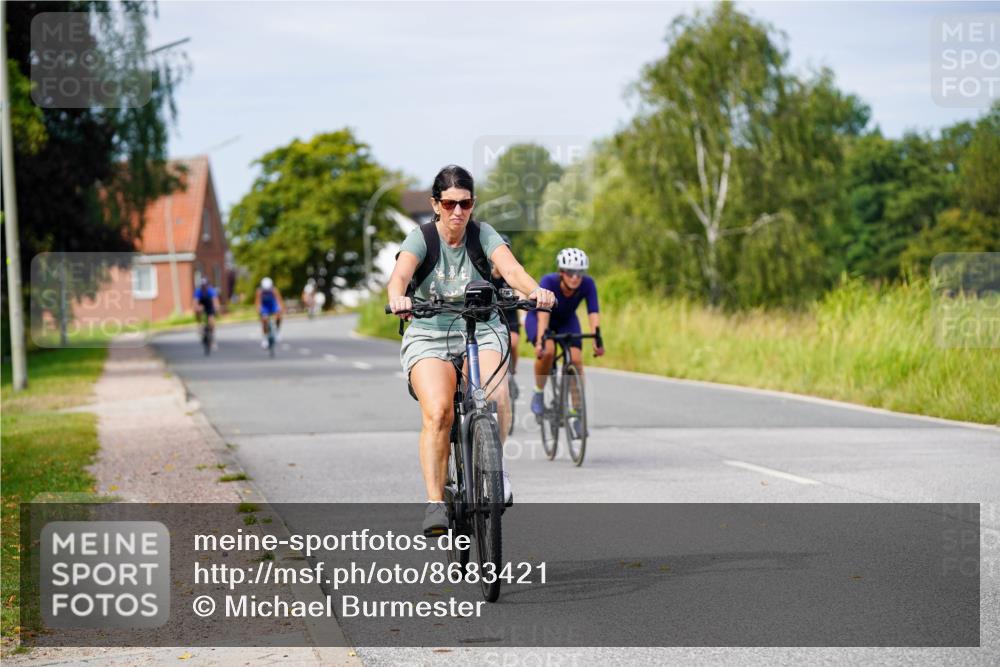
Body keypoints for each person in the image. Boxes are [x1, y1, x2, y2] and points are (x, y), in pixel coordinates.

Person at [386, 165, 556, 536]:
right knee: (439, 412)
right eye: (449, 204)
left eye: (465, 203)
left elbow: (512, 271)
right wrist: (398, 297)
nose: (458, 211)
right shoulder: (422, 238)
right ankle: (435, 502)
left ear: (473, 204)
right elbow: (399, 276)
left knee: (497, 396)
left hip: (482, 327)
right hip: (430, 332)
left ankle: (496, 471)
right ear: (436, 204)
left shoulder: (483, 234)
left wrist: (535, 291)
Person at [525, 248, 604, 438]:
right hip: (541, 318)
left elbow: (593, 311)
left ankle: (577, 414)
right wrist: (540, 341)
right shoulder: (549, 281)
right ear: (561, 272)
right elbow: (543, 314)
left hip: (567, 320)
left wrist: (597, 337)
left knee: (576, 360)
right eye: (570, 272)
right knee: (548, 351)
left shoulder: (588, 284)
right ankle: (538, 392)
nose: (575, 277)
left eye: (579, 273)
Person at [492, 235, 522, 400]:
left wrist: (524, 315)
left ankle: (512, 373)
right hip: (492, 317)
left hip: (510, 316)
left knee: (514, 343)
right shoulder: (486, 274)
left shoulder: (511, 274)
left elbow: (521, 291)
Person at [255, 277, 285, 348]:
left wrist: (281, 308)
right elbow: (258, 302)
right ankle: (265, 338)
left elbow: (279, 300)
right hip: (265, 306)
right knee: (264, 320)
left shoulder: (274, 290)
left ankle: (277, 331)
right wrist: (259, 310)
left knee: (278, 316)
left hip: (272, 305)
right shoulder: (259, 291)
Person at [193, 277, 221, 343]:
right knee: (197, 310)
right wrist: (197, 308)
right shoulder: (198, 291)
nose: (204, 287)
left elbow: (215, 301)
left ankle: (212, 334)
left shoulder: (211, 291)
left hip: (209, 305)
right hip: (202, 304)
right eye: (202, 286)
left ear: (207, 285)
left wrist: (216, 307)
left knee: (211, 319)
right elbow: (195, 302)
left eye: (205, 285)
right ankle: (199, 324)